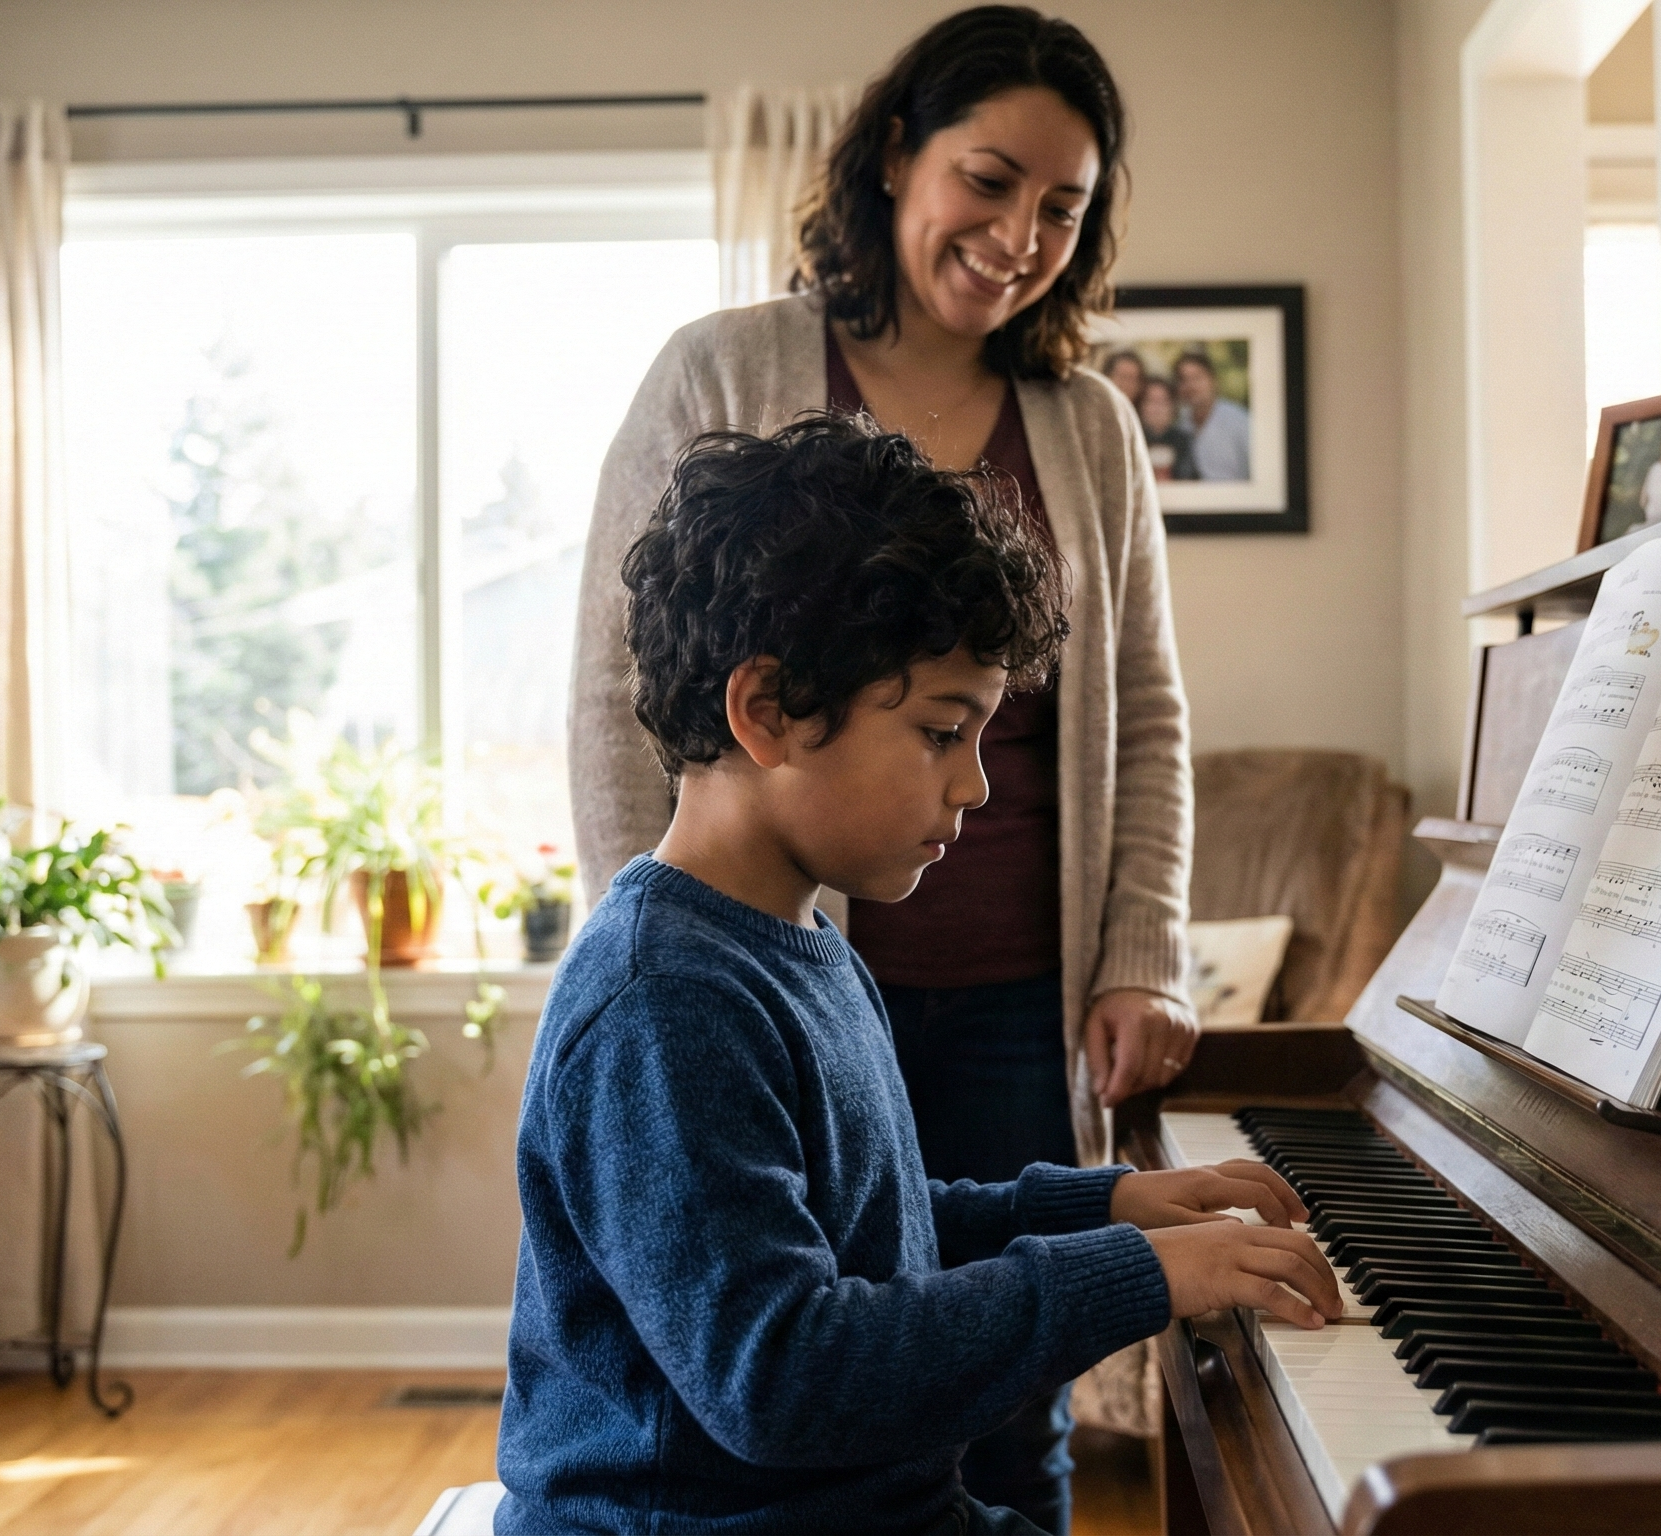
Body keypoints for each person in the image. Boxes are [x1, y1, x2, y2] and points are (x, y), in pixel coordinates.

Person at [569, 11, 1200, 1528]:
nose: (1022, 234)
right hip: (771, 941)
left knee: (996, 1409)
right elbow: (617, 692)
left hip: (1006, 986)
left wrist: (1140, 955)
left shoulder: (1089, 425)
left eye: (1065, 207)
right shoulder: (726, 365)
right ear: (897, 155)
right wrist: (681, 934)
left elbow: (1151, 708)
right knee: (819, 1368)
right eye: (991, 180)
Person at [504, 416, 1340, 1536]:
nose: (977, 789)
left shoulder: (797, 946)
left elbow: (873, 1231)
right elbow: (783, 1375)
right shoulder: (663, 1001)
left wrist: (1107, 1207)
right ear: (767, 712)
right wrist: (1138, 1279)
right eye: (944, 732)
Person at [1173, 350, 1250, 481]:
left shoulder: (1241, 421)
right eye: (1184, 379)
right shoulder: (1179, 423)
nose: (1190, 386)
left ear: (1213, 381)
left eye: (1197, 378)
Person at [1136, 378, 1191, 479]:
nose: (1157, 408)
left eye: (1163, 401)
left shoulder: (1183, 440)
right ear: (1141, 406)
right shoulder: (1132, 440)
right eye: (1151, 401)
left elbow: (1188, 476)